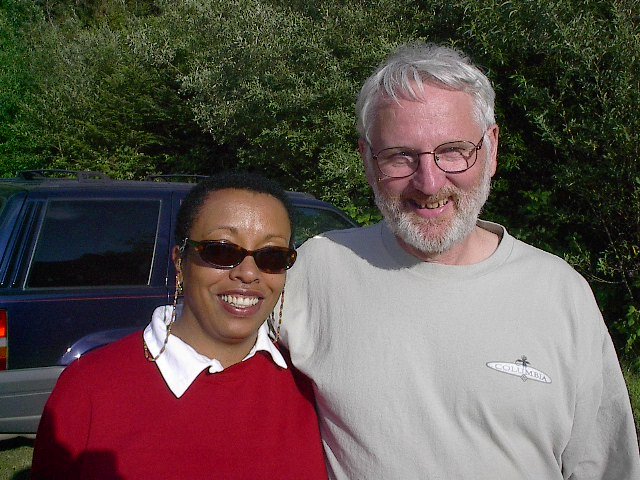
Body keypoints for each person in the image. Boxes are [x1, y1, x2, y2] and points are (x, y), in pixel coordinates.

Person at [281, 42, 640, 479]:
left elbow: (606, 468)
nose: (429, 183)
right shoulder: (317, 270)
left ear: (491, 149)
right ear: (367, 161)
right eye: (400, 156)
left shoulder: (560, 293)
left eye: (453, 150)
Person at [31, 172, 328, 479]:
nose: (248, 273)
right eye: (222, 250)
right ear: (179, 262)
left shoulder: (310, 385)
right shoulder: (89, 388)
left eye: (273, 256)